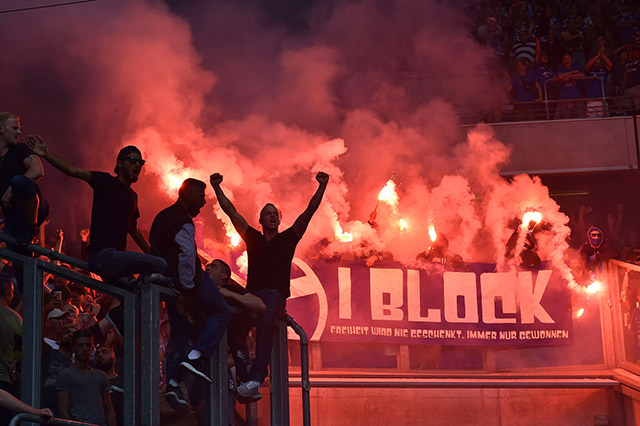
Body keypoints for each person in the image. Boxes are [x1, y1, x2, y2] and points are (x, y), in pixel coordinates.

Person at [210, 170, 329, 401]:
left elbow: (310, 211)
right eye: (268, 213)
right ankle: (244, 378)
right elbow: (231, 211)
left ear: (279, 220)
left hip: (275, 296)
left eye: (275, 214)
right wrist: (216, 187)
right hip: (253, 295)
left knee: (266, 322)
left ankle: (257, 377)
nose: (272, 216)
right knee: (236, 327)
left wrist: (322, 186)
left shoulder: (289, 238)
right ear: (261, 221)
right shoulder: (252, 237)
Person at [26, 136, 169, 287]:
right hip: (103, 256)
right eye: (133, 160)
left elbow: (133, 229)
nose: (137, 165)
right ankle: (141, 286)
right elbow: (73, 171)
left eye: (141, 162)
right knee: (159, 265)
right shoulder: (106, 181)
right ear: (120, 163)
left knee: (139, 285)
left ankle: (131, 294)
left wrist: (152, 253)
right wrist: (46, 154)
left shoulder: (133, 197)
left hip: (116, 261)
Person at [149, 178, 231, 410]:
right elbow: (186, 255)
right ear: (186, 195)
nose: (203, 202)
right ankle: (196, 357)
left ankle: (173, 384)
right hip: (189, 282)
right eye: (201, 196)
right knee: (222, 312)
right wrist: (186, 289)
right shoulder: (182, 221)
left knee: (179, 333)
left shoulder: (162, 217)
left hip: (169, 283)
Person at [0, 113, 49, 244]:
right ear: (1, 129)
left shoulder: (20, 149)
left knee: (18, 181)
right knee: (17, 252)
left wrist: (10, 189)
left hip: (35, 208)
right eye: (15, 128)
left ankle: (31, 227)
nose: (19, 132)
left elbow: (38, 170)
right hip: (13, 217)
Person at [56, 329, 116, 426]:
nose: (85, 349)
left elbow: (109, 410)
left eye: (88, 345)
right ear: (73, 348)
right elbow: (63, 410)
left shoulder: (101, 376)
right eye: (80, 345)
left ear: (92, 348)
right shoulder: (65, 375)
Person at [0, 277, 21, 424]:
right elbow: (20, 350)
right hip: (5, 379)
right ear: (8, 293)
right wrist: (14, 369)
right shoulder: (16, 319)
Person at [94, 344, 123, 426]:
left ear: (114, 357)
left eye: (104, 352)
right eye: (97, 353)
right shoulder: (93, 382)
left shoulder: (124, 382)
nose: (100, 355)